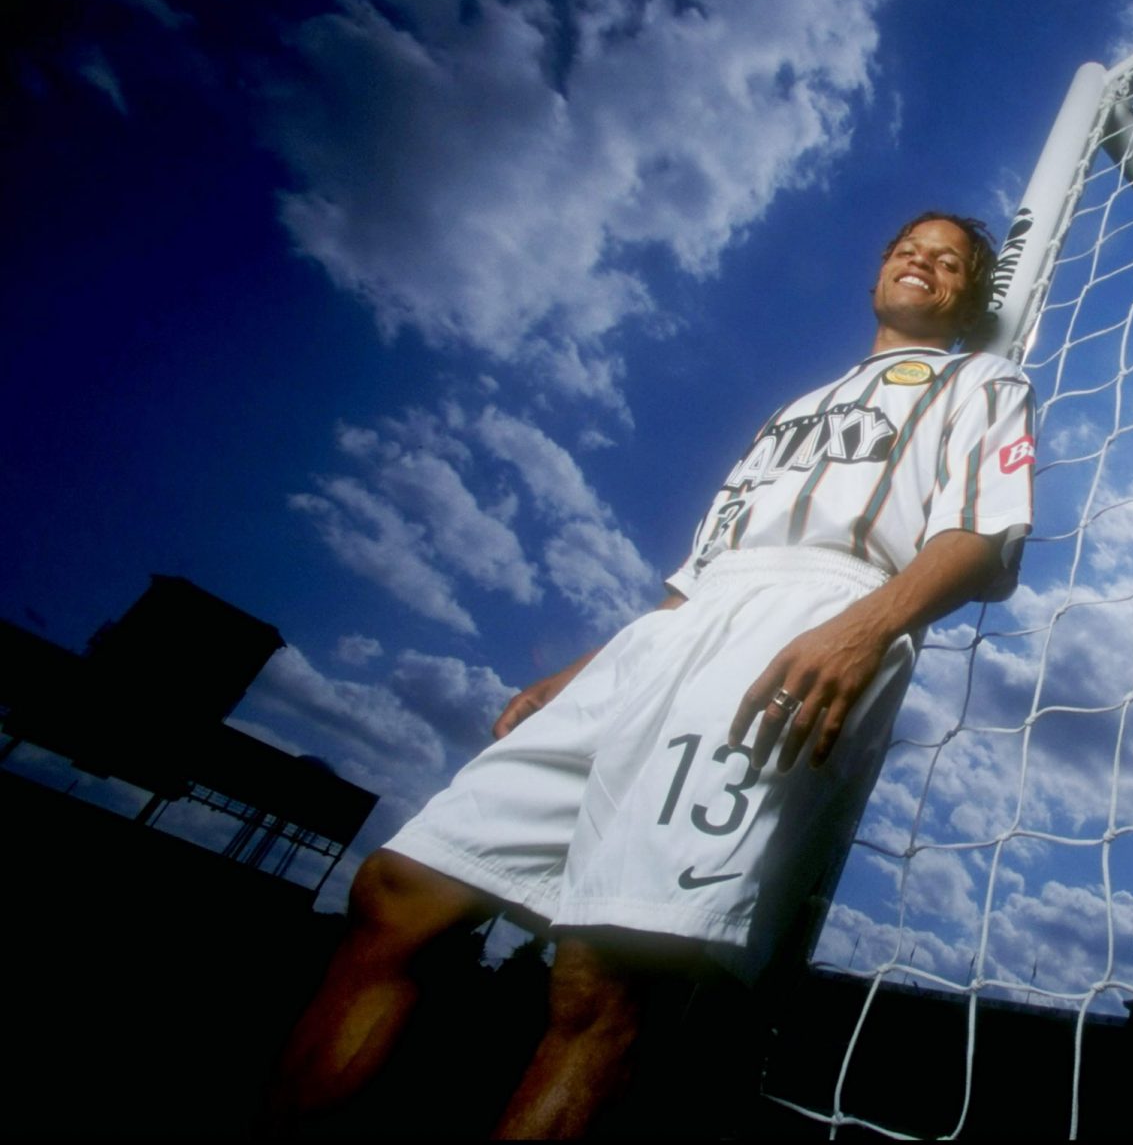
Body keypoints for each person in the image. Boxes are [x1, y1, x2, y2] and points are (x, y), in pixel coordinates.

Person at [267, 212, 1036, 1138]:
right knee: (398, 890)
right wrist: (586, 670)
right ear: (880, 268)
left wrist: (862, 629)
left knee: (608, 972)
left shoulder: (984, 381)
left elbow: (985, 540)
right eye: (909, 247)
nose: (922, 260)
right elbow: (698, 575)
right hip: (672, 637)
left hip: (813, 619)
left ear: (967, 297)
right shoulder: (795, 407)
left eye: (948, 260)